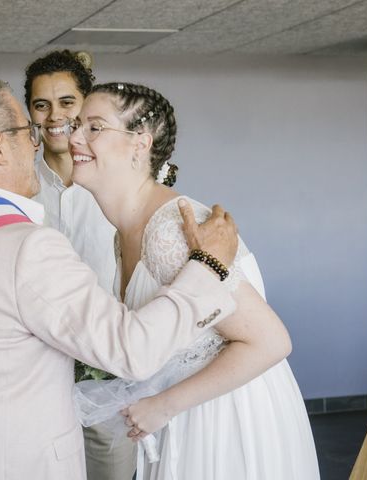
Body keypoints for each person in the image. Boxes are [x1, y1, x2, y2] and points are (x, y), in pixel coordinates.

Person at [0, 77, 241, 480]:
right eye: (27, 132)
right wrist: (207, 267)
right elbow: (132, 351)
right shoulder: (27, 247)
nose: (37, 143)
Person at [68, 82, 320, 479]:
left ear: (140, 143)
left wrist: (163, 405)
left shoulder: (170, 231)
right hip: (183, 412)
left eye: (94, 127)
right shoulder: (124, 230)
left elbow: (271, 341)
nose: (75, 137)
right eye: (77, 125)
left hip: (227, 421)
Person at [24, 50, 135, 480]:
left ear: (86, 105)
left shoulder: (122, 186)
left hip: (107, 378)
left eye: (67, 101)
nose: (55, 116)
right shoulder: (18, 192)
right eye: (41, 104)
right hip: (33, 379)